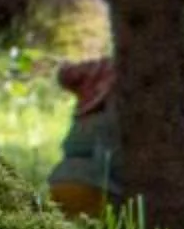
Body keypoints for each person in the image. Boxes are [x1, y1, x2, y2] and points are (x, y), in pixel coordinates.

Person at [46, 57, 126, 218]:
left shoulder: (82, 118)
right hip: (93, 188)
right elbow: (108, 158)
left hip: (58, 182)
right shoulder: (108, 118)